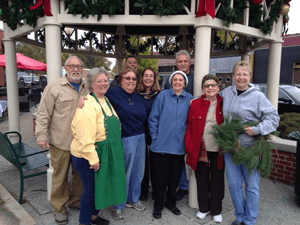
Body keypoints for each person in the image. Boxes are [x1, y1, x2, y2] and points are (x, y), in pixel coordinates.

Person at [220, 61, 280, 225]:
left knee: (251, 186)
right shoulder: (226, 93)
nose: (241, 77)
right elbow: (213, 104)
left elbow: (274, 118)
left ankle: (250, 220)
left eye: (244, 74)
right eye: (238, 74)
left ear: (249, 76)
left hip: (250, 148)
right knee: (233, 185)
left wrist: (257, 129)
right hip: (230, 148)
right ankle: (240, 217)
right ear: (233, 76)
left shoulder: (258, 96)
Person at [35, 56, 88, 224]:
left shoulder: (86, 87)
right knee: (60, 177)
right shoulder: (54, 87)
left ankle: (75, 201)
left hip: (81, 143)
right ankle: (59, 208)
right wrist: (41, 135)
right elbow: (43, 113)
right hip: (61, 142)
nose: (76, 69)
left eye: (79, 66)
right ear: (65, 68)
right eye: (72, 65)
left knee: (80, 176)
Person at [71, 68, 127, 225]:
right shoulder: (88, 105)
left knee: (100, 188)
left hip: (103, 152)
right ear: (91, 83)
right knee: (90, 191)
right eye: (99, 81)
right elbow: (84, 136)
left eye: (105, 80)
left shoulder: (104, 99)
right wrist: (93, 159)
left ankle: (93, 216)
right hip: (86, 155)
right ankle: (84, 222)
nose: (103, 83)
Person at [148, 70, 193, 219]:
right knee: (160, 179)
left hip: (178, 148)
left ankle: (171, 202)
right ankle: (158, 205)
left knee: (174, 180)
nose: (178, 82)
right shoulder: (163, 96)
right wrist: (155, 137)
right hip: (160, 146)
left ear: (185, 83)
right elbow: (153, 117)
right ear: (171, 81)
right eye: (175, 79)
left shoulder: (189, 99)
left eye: (181, 80)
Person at [105, 68, 148, 220]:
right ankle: (118, 205)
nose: (131, 81)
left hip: (140, 137)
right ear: (121, 80)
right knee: (124, 173)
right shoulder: (113, 93)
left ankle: (133, 200)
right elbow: (95, 96)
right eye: (127, 78)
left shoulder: (137, 96)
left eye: (134, 79)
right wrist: (83, 99)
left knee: (138, 172)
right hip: (125, 138)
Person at [185, 74, 224, 223]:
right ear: (203, 88)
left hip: (218, 149)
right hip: (200, 148)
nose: (210, 88)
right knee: (201, 180)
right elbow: (189, 126)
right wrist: (188, 146)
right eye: (206, 85)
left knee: (217, 181)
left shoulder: (223, 103)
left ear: (218, 87)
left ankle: (216, 210)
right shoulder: (195, 104)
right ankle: (203, 208)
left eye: (213, 85)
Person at [164, 50, 194, 200]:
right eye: (179, 61)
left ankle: (191, 186)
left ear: (190, 62)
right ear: (176, 63)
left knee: (188, 157)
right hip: (172, 126)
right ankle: (181, 185)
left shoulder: (195, 78)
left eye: (185, 61)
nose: (182, 64)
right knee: (176, 158)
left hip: (189, 124)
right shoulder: (170, 80)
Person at [136, 67, 161, 201]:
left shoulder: (159, 95)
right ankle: (143, 189)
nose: (148, 78)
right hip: (139, 132)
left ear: (154, 78)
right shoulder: (136, 94)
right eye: (146, 75)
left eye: (151, 76)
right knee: (142, 163)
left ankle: (156, 190)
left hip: (155, 132)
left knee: (156, 163)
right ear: (142, 77)